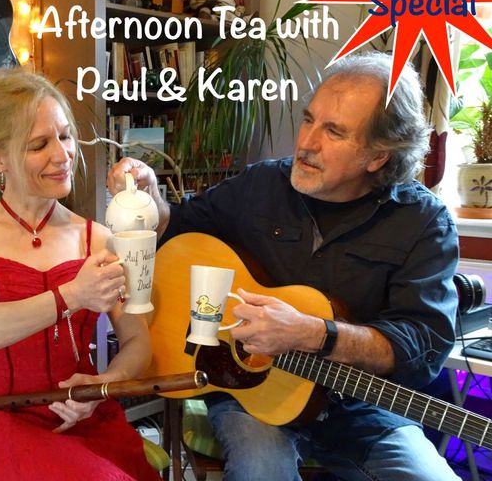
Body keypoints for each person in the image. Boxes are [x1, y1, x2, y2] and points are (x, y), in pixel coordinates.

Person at [107, 51, 461, 480]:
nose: (307, 143)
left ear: (377, 156)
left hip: (361, 408)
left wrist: (314, 334)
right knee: (262, 470)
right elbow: (178, 229)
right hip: (250, 396)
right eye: (309, 120)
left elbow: (423, 345)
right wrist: (151, 201)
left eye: (334, 131)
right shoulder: (261, 184)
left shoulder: (424, 222)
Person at [0, 69, 161, 481]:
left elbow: (137, 340)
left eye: (65, 136)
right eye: (39, 144)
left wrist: (102, 385)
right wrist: (70, 295)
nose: (63, 155)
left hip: (87, 419)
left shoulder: (98, 238)